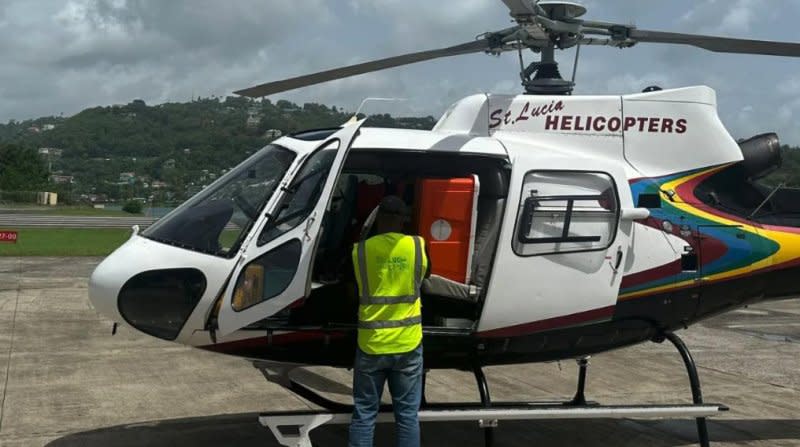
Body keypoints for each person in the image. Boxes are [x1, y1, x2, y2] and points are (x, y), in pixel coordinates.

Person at [349, 195, 429, 447]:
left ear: (378, 219)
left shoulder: (360, 250)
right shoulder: (417, 246)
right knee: (407, 417)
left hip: (372, 344)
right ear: (404, 220)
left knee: (364, 415)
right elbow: (426, 277)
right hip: (407, 344)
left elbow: (351, 289)